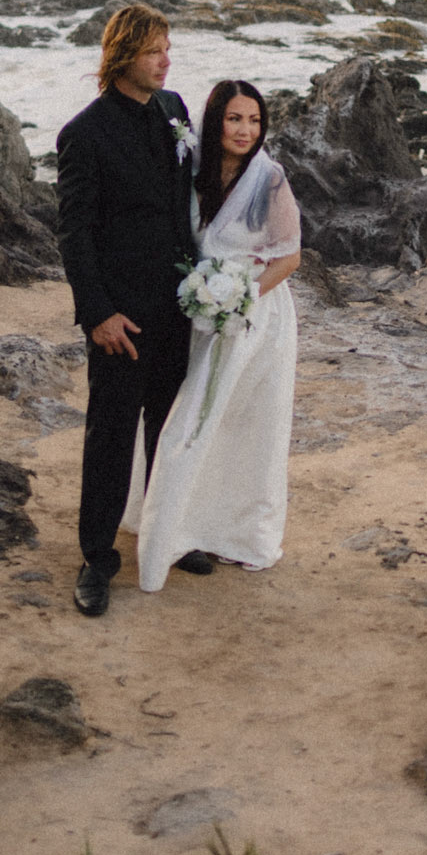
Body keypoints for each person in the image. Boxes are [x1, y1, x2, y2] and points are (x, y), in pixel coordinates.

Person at [56, 4, 213, 618]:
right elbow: (75, 234)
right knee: (112, 434)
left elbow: (194, 198)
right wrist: (98, 314)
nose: (165, 61)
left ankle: (166, 532)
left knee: (169, 429)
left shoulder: (174, 110)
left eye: (168, 48)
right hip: (121, 317)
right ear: (122, 56)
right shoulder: (84, 134)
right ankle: (97, 558)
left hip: (179, 307)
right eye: (153, 51)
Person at [126, 80, 302, 591]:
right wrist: (208, 297)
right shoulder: (192, 171)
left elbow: (290, 257)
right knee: (191, 418)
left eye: (255, 121)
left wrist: (241, 298)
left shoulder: (269, 179)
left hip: (254, 318)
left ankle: (234, 531)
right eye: (234, 119)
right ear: (215, 121)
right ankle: (176, 522)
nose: (246, 130)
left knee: (243, 425)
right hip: (199, 312)